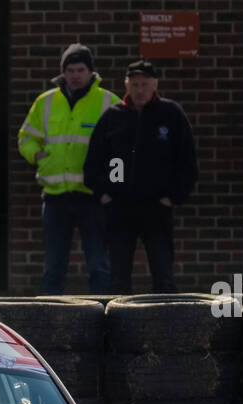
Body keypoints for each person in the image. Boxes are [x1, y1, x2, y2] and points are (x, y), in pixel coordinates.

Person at [85, 60, 198, 293]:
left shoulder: (171, 114)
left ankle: (167, 323)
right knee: (118, 278)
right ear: (126, 85)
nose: (139, 90)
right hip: (119, 209)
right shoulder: (112, 117)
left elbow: (187, 161)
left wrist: (173, 196)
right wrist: (104, 193)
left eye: (144, 84)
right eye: (134, 84)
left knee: (163, 274)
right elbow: (94, 161)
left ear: (155, 84)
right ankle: (116, 325)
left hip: (157, 208)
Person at [17, 43, 120, 294]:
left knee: (98, 264)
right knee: (53, 266)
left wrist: (111, 185)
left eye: (80, 69)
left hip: (92, 195)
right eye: (70, 69)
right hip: (55, 195)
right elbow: (25, 138)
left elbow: (122, 148)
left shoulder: (108, 102)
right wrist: (38, 155)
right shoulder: (46, 102)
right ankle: (52, 318)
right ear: (62, 72)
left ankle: (103, 314)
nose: (75, 75)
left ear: (91, 72)